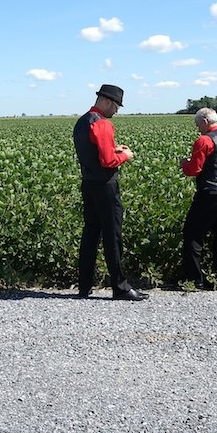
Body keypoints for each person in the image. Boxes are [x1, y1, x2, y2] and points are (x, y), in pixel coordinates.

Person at [73, 84, 148, 301]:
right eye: (116, 107)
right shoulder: (102, 124)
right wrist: (126, 155)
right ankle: (121, 288)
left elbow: (94, 152)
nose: (116, 111)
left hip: (88, 183)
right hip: (106, 185)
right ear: (107, 102)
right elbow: (107, 161)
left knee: (90, 235)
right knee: (112, 236)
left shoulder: (82, 122)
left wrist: (114, 149)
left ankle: (84, 286)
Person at [178, 108, 217, 290]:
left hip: (210, 193)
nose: (198, 129)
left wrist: (184, 164)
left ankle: (195, 279)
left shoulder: (204, 140)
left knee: (193, 235)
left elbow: (194, 170)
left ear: (205, 121)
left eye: (198, 125)